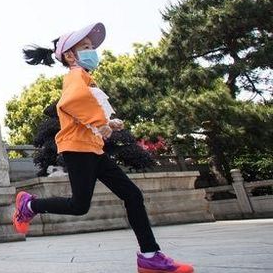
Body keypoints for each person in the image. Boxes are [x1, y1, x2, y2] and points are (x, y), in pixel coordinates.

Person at [15, 23, 194, 273]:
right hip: (78, 149)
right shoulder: (76, 76)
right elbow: (71, 102)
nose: (92, 51)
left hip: (93, 149)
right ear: (70, 56)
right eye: (86, 47)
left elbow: (85, 110)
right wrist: (101, 123)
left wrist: (108, 123)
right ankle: (29, 206)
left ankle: (150, 255)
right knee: (80, 206)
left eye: (92, 47)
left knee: (132, 195)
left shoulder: (86, 78)